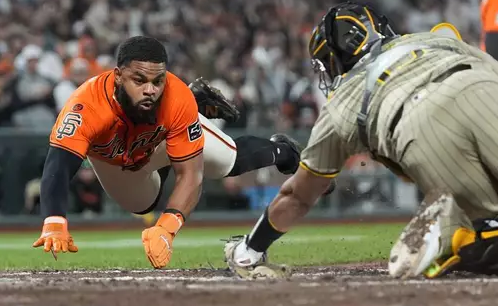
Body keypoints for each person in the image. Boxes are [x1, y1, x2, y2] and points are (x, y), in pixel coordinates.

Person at [223, 2, 498, 280]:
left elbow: (297, 197)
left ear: (334, 60)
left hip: (417, 122)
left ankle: (465, 233)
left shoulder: (341, 102)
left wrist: (250, 248)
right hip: (487, 90)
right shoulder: (438, 37)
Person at [31, 35, 308, 269]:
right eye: (139, 80)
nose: (150, 90)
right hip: (118, 162)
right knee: (142, 205)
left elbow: (191, 174)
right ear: (117, 77)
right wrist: (54, 218)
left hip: (163, 134)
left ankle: (283, 151)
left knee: (227, 160)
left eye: (157, 81)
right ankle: (189, 112)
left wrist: (167, 228)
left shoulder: (173, 98)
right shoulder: (86, 105)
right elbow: (58, 165)